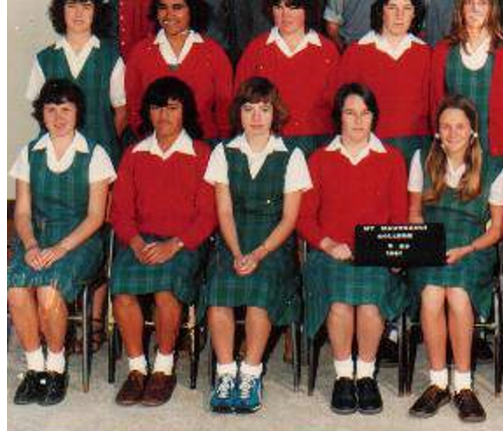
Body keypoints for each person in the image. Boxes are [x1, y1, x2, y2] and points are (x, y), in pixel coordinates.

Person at [201, 77, 313, 414]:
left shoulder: (291, 155)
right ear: (240, 113)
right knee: (220, 287)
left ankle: (250, 373)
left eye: (264, 109)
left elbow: (290, 219)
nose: (256, 117)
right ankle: (225, 373)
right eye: (249, 109)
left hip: (272, 245)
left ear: (274, 112)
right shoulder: (223, 152)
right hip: (234, 240)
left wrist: (259, 253)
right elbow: (223, 211)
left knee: (260, 291)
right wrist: (237, 253)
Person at [297, 83, 409, 415]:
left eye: (365, 113)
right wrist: (328, 243)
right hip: (330, 252)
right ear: (339, 118)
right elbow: (304, 217)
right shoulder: (319, 159)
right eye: (350, 113)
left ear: (374, 117)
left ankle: (366, 375)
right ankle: (344, 376)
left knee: (371, 305)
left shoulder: (391, 158)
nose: (358, 121)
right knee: (340, 303)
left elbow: (399, 216)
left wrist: (393, 255)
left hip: (374, 253)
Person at [109, 77, 218, 407]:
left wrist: (174, 244)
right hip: (141, 241)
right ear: (147, 112)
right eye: (157, 108)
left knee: (165, 290)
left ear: (185, 112)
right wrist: (138, 243)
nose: (164, 116)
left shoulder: (202, 153)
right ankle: (137, 368)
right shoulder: (134, 154)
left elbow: (207, 215)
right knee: (122, 288)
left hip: (184, 244)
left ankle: (163, 368)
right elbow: (121, 213)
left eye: (172, 107)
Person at [8, 79, 115, 406]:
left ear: (77, 112)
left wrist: (60, 249)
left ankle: (56, 368)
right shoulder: (29, 153)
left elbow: (96, 217)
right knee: (14, 288)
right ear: (41, 114)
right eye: (50, 109)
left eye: (65, 109)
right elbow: (23, 213)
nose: (58, 117)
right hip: (37, 237)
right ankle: (35, 367)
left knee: (49, 291)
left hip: (80, 240)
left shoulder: (94, 153)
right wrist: (30, 246)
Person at [405, 96, 503, 422]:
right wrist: (423, 241)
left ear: (472, 131)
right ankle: (437, 383)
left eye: (460, 126)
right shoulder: (422, 160)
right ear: (437, 131)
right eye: (446, 126)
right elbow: (414, 213)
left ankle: (463, 385)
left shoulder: (492, 168)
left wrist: (468, 249)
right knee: (433, 295)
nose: (452, 133)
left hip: (473, 248)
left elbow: (497, 231)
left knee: (459, 296)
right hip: (431, 246)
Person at [235, 0, 340, 156]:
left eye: (293, 7)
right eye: (279, 7)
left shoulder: (328, 51)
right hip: (268, 146)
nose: (285, 15)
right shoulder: (256, 49)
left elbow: (339, 107)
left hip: (318, 145)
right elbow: (238, 102)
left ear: (306, 10)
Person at [430, 0, 503, 168]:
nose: (475, 8)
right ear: (460, 7)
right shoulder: (443, 51)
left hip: (495, 156)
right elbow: (436, 103)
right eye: (469, 2)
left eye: (482, 2)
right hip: (453, 156)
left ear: (491, 7)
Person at [25, 0, 126, 164]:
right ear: (60, 11)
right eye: (71, 6)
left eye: (86, 6)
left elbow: (121, 111)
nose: (78, 13)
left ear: (96, 12)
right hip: (56, 153)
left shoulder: (111, 58)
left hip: (100, 153)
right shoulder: (44, 59)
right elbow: (39, 109)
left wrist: (104, 139)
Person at [124, 0, 234, 144]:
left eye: (177, 7)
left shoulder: (214, 53)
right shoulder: (140, 53)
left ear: (192, 9)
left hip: (205, 146)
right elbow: (134, 107)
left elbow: (225, 110)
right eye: (163, 7)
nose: (169, 15)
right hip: (154, 146)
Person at [337, 0, 431, 166]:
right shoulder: (356, 53)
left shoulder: (426, 54)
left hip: (415, 150)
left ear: (415, 13)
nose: (399, 15)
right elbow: (342, 110)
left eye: (407, 8)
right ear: (381, 10)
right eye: (392, 7)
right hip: (369, 148)